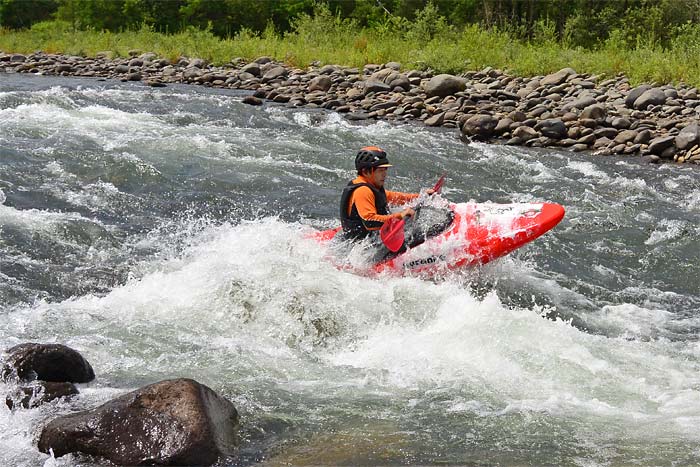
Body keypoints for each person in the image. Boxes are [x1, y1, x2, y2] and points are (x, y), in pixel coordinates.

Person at [339, 146, 434, 242]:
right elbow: (370, 222)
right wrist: (400, 215)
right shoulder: (363, 191)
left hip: (371, 239)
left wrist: (421, 196)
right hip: (360, 246)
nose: (384, 174)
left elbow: (394, 197)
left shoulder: (371, 186)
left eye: (385, 169)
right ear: (365, 171)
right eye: (380, 170)